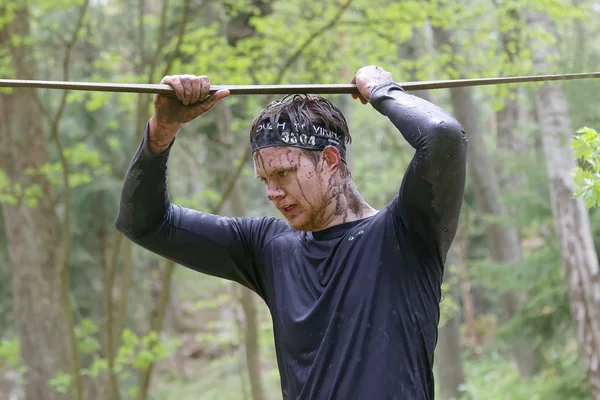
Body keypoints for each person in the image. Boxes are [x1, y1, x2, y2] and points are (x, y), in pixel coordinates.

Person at [115, 65, 468, 400]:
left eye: (283, 174)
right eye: (265, 180)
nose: (273, 193)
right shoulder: (268, 247)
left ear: (329, 160)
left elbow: (443, 136)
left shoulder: (406, 233)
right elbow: (146, 224)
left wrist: (382, 91)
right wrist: (161, 130)